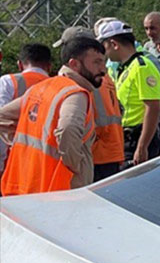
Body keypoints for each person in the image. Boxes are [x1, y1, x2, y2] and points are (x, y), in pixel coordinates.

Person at [0, 37, 106, 195]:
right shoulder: (75, 93)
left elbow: (3, 117)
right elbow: (68, 130)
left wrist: (20, 145)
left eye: (103, 62)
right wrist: (76, 165)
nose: (103, 69)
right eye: (97, 62)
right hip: (60, 190)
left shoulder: (40, 88)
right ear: (74, 64)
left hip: (27, 185)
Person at [55, 26, 125, 181]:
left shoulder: (84, 80)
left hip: (94, 155)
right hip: (112, 151)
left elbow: (70, 126)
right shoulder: (103, 77)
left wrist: (74, 163)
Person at [98, 19, 160, 166]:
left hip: (138, 137)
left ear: (114, 44)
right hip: (127, 137)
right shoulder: (126, 68)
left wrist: (142, 146)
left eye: (104, 46)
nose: (104, 52)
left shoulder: (142, 67)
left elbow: (152, 107)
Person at [0, 43, 53, 167]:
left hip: (14, 160)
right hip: (47, 161)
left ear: (19, 64)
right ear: (49, 66)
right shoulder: (58, 86)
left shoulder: (8, 82)